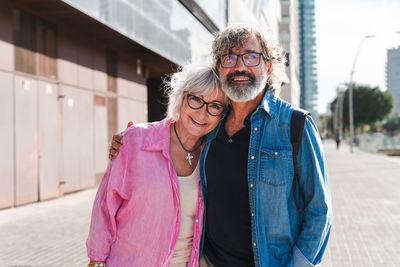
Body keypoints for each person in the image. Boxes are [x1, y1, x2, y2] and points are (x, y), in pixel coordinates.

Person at [110, 25, 332, 267]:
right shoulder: (210, 122)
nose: (239, 66)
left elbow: (319, 211)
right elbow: (175, 129)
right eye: (229, 57)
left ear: (268, 67)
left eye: (250, 56)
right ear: (218, 68)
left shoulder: (295, 125)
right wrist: (131, 138)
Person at [86, 64, 227, 267]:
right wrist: (96, 259)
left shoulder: (214, 155)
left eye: (215, 106)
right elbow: (104, 206)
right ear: (181, 97)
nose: (202, 113)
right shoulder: (136, 140)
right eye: (196, 99)